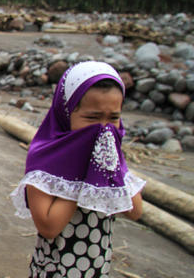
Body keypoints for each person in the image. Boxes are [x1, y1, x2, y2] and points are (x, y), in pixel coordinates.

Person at [10, 61, 145, 277]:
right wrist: (84, 171)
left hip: (97, 268)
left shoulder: (107, 155)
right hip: (55, 271)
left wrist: (111, 164)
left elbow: (135, 211)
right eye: (92, 118)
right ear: (66, 113)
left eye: (113, 118)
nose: (103, 128)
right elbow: (48, 227)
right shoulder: (46, 157)